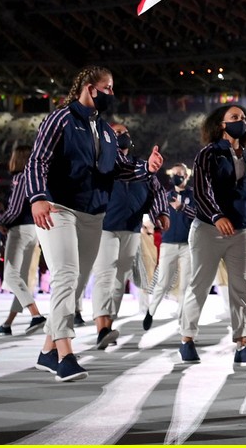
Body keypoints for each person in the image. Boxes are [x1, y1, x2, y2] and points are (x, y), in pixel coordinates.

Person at [21, 65, 163, 382]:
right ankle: (66, 354)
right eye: (108, 87)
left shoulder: (106, 131)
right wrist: (37, 197)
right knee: (67, 275)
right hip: (58, 208)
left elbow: (120, 169)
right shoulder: (61, 119)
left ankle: (47, 350)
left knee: (75, 285)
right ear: (89, 86)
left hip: (93, 213)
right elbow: (38, 160)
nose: (112, 94)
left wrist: (147, 168)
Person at [177, 103, 246, 368]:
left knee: (243, 288)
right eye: (235, 117)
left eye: (243, 118)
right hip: (207, 230)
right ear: (221, 125)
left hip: (243, 231)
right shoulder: (207, 155)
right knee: (199, 285)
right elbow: (201, 191)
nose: (241, 121)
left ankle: (243, 345)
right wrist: (216, 215)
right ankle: (187, 338)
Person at [89, 122, 169, 349]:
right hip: (104, 226)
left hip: (131, 228)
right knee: (105, 275)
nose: (121, 136)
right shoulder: (102, 164)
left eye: (124, 133)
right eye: (115, 133)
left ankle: (108, 324)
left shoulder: (140, 166)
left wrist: (161, 213)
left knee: (119, 278)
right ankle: (101, 327)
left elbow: (156, 191)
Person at [0, 145, 47, 336]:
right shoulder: (36, 178)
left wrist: (2, 221)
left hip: (20, 230)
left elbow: (15, 208)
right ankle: (8, 323)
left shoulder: (20, 178)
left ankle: (35, 314)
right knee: (21, 279)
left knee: (10, 275)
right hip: (35, 230)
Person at [144, 163, 194, 330]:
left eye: (180, 173)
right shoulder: (165, 196)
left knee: (186, 284)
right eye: (174, 173)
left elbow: (199, 216)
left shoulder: (194, 196)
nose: (176, 176)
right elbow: (154, 213)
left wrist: (182, 208)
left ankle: (182, 320)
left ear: (187, 176)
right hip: (169, 244)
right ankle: (150, 312)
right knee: (163, 282)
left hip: (188, 245)